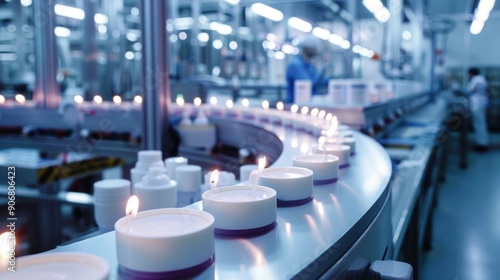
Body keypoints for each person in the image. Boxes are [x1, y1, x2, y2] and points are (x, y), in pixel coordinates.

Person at [286, 35, 329, 104]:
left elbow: (320, 82)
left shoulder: (310, 66)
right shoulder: (295, 65)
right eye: (315, 48)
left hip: (309, 103)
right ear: (307, 49)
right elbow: (308, 84)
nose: (317, 51)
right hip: (295, 105)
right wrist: (323, 71)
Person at [467, 67, 489, 152]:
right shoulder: (482, 79)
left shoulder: (475, 79)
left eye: (469, 74)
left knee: (478, 124)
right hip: (481, 104)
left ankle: (481, 144)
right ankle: (482, 142)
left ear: (472, 73)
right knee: (481, 123)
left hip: (477, 105)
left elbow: (470, 90)